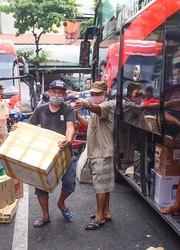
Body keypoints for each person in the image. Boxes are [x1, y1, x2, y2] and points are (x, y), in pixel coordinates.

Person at [27, 80, 77, 228]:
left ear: (64, 95)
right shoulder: (40, 110)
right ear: (49, 93)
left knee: (69, 183)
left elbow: (70, 127)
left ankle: (61, 202)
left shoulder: (68, 110)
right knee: (40, 186)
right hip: (44, 155)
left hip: (64, 153)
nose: (56, 95)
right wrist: (20, 128)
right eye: (54, 92)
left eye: (60, 93)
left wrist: (68, 140)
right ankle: (45, 216)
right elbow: (29, 128)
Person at [74, 81, 115, 230]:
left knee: (100, 186)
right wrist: (78, 116)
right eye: (92, 94)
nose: (94, 96)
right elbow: (88, 124)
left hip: (102, 153)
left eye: (97, 94)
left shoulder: (106, 106)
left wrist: (87, 105)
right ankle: (106, 211)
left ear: (105, 95)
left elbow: (96, 108)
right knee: (104, 185)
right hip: (97, 152)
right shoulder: (95, 111)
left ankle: (100, 217)